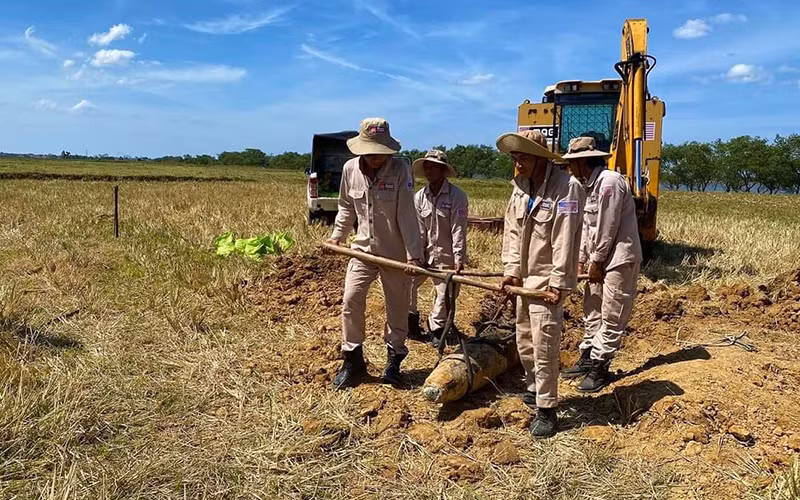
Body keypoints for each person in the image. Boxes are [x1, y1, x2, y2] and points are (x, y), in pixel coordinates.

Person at [498, 129, 585, 438]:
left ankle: (547, 409)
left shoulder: (566, 189)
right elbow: (512, 231)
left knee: (544, 343)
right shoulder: (520, 187)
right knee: (524, 340)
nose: (518, 164)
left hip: (547, 281)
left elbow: (565, 238)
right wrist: (510, 270)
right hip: (523, 279)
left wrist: (560, 281)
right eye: (515, 157)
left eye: (523, 158)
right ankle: (534, 388)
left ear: (539, 159)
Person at [326, 118, 424, 389]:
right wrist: (338, 236)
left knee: (397, 307)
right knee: (351, 300)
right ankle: (353, 360)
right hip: (363, 251)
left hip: (394, 252)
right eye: (371, 152)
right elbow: (346, 207)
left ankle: (394, 359)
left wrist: (413, 254)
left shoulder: (401, 170)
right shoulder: (350, 170)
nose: (377, 158)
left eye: (381, 152)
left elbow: (407, 214)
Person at [560, 136, 642, 393]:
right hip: (597, 258)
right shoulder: (583, 186)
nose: (569, 168)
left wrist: (596, 260)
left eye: (572, 163)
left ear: (583, 161)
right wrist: (582, 259)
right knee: (592, 308)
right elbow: (586, 227)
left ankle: (600, 366)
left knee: (612, 312)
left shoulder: (610, 183)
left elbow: (608, 226)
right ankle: (588, 356)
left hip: (619, 258)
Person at [408, 149, 469, 347]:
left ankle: (437, 329)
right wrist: (414, 256)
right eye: (426, 166)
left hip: (447, 257)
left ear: (443, 170)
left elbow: (458, 230)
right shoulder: (419, 197)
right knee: (406, 283)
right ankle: (411, 321)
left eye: (433, 166)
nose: (429, 170)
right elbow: (417, 230)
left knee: (444, 295)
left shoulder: (457, 197)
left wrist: (459, 259)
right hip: (424, 255)